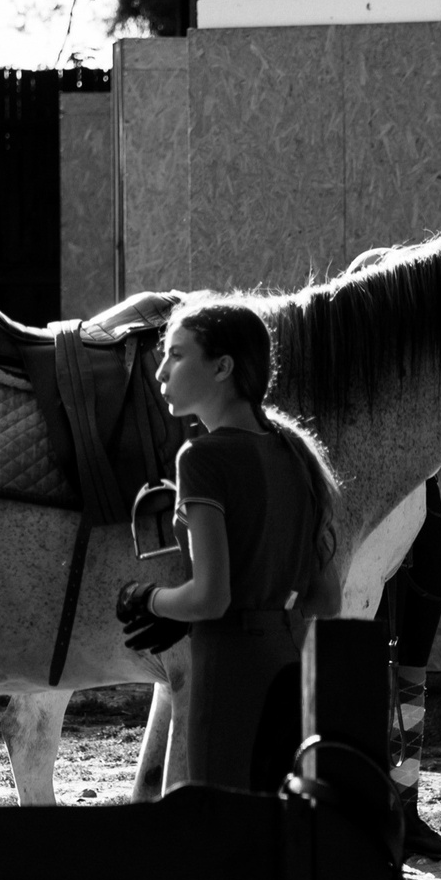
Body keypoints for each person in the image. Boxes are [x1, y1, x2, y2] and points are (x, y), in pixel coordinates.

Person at [114, 300, 342, 793]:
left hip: (229, 669)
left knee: (224, 831)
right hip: (290, 667)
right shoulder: (296, 451)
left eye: (176, 356)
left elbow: (210, 597)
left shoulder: (201, 457)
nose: (160, 373)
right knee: (276, 828)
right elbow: (326, 599)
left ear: (222, 367)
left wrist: (145, 598)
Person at [379, 479, 441, 861]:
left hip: (422, 487)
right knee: (377, 660)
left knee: (415, 659)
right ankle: (379, 810)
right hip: (375, 491)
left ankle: (405, 812)